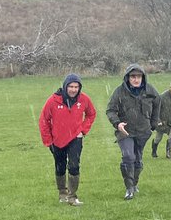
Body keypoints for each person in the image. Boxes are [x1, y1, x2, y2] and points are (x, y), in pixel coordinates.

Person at [39, 73, 97, 206]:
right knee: (60, 167)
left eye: (76, 87)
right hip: (57, 140)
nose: (73, 89)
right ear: (65, 87)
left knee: (74, 166)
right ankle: (62, 193)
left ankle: (72, 196)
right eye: (71, 86)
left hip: (75, 138)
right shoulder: (53, 101)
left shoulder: (84, 99)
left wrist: (83, 130)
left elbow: (91, 114)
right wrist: (48, 140)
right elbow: (44, 120)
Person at [105, 64, 159, 200]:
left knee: (138, 159)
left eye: (139, 76)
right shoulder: (120, 91)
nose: (136, 79)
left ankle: (134, 184)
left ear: (143, 77)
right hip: (125, 132)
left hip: (143, 131)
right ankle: (129, 188)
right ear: (127, 78)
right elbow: (110, 110)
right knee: (128, 156)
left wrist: (152, 124)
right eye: (133, 77)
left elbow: (158, 104)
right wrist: (117, 124)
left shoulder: (150, 90)